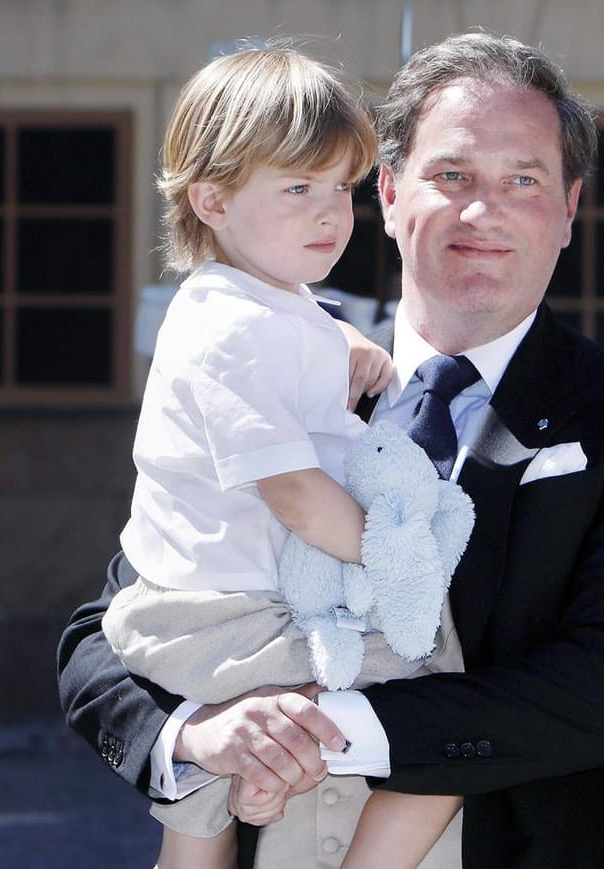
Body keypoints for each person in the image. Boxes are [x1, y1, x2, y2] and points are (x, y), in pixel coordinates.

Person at [58, 32, 604, 868]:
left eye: (525, 180)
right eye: (452, 176)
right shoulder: (285, 363)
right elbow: (109, 623)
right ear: (389, 192)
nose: (484, 212)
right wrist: (196, 735)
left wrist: (336, 730)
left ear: (569, 208)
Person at [94, 43, 466, 869]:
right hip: (225, 619)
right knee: (450, 693)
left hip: (221, 605)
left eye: (341, 188)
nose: (330, 214)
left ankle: (228, 801)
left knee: (257, 776)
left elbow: (285, 337)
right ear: (212, 199)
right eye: (297, 189)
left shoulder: (264, 303)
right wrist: (394, 554)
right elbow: (295, 490)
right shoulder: (235, 328)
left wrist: (341, 344)